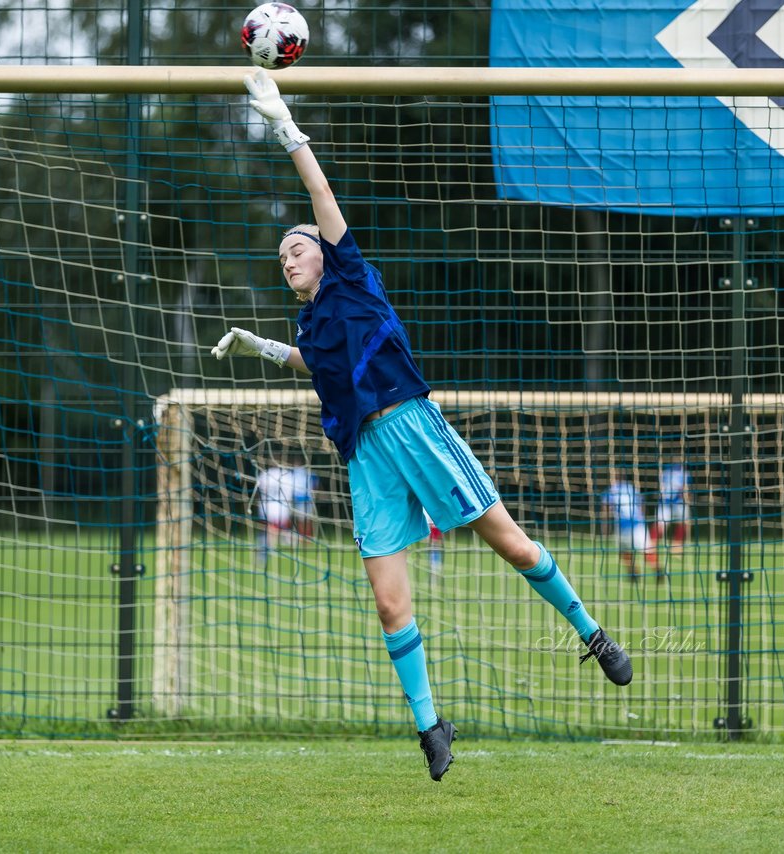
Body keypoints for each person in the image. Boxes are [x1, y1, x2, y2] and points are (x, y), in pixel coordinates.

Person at [211, 69, 632, 782]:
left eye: (298, 247)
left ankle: (591, 633)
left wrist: (286, 129)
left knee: (513, 547)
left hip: (412, 424)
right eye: (281, 254)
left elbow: (320, 197)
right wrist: (261, 345)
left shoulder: (350, 277)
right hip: (365, 454)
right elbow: (314, 364)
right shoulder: (313, 323)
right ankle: (430, 726)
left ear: (325, 252)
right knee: (387, 600)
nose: (288, 257)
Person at [603, 475, 661, 581]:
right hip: (636, 524)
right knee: (645, 549)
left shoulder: (611, 491)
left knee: (627, 551)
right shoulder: (631, 488)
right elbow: (641, 504)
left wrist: (605, 527)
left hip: (623, 526)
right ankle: (656, 571)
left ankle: (637, 573)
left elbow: (606, 510)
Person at [652, 462, 691, 555]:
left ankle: (652, 545)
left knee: (661, 524)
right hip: (677, 500)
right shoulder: (685, 474)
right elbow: (684, 489)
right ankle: (676, 546)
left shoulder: (665, 473)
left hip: (665, 501)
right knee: (684, 522)